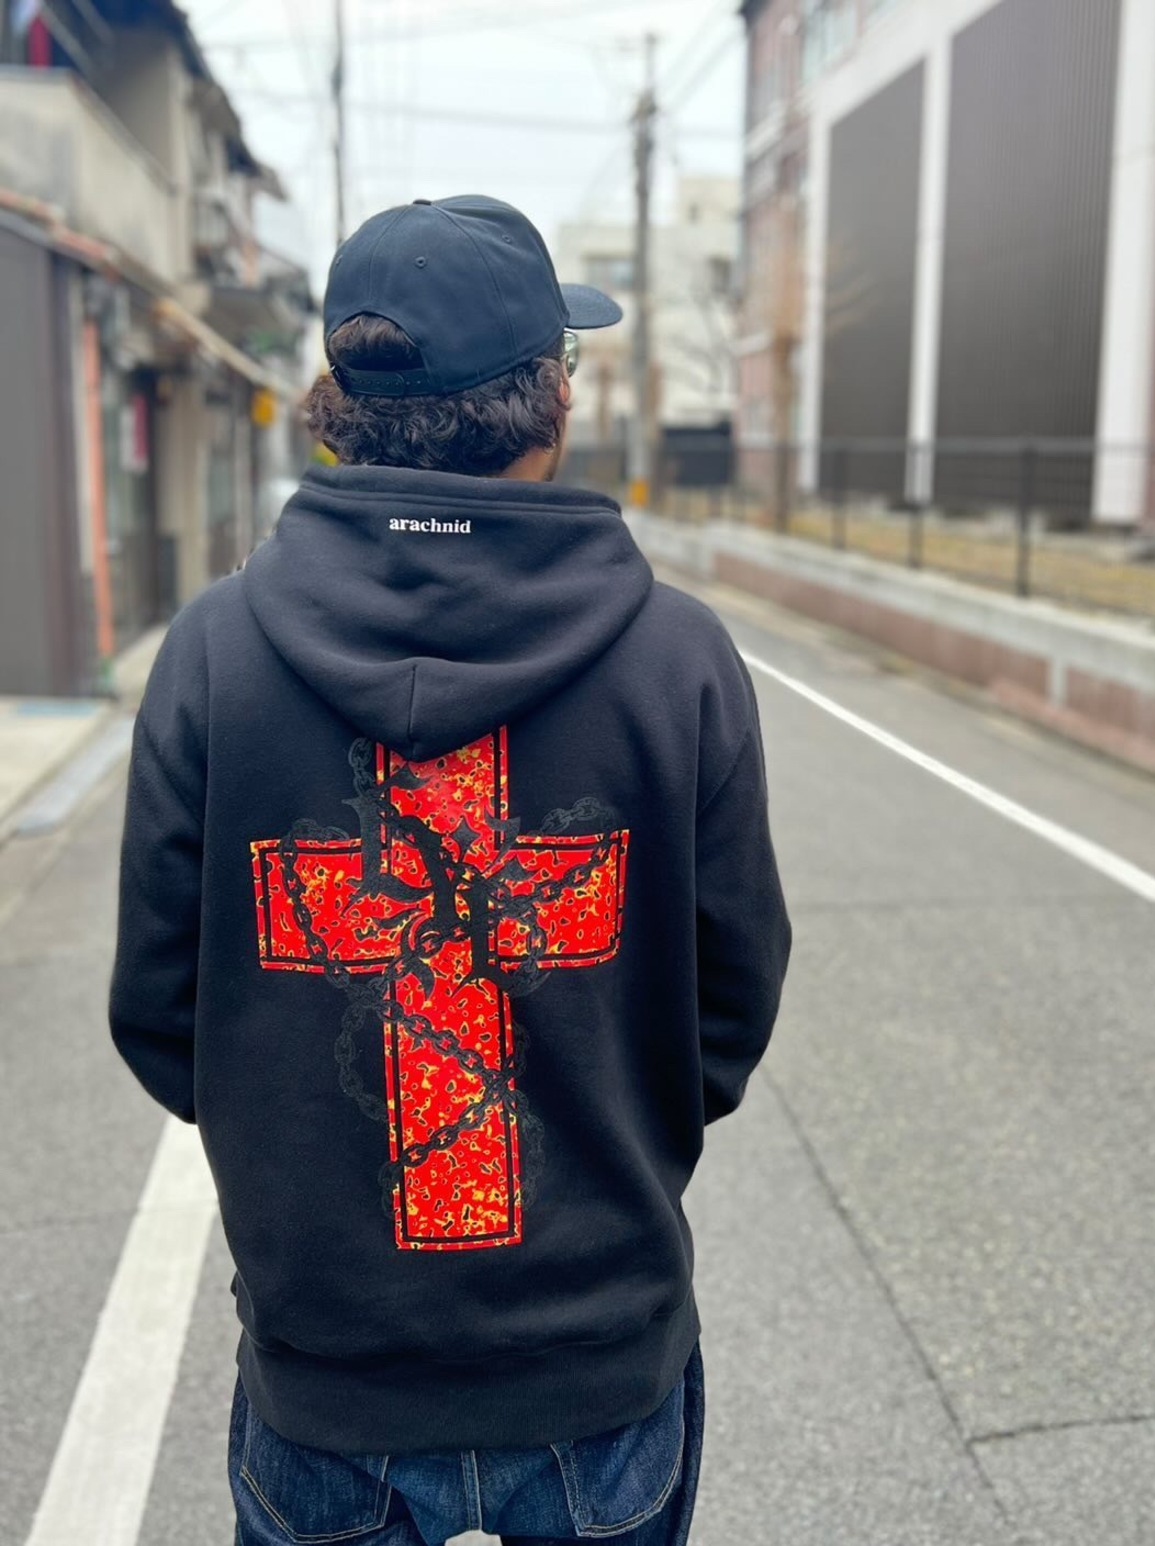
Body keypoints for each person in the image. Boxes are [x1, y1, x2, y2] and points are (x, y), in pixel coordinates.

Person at [109, 195, 792, 1546]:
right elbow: (729, 1001)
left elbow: (160, 1012)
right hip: (600, 1357)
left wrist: (294, 1141)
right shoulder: (678, 660)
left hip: (328, 1366)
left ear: (341, 408)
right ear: (552, 400)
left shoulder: (215, 656)